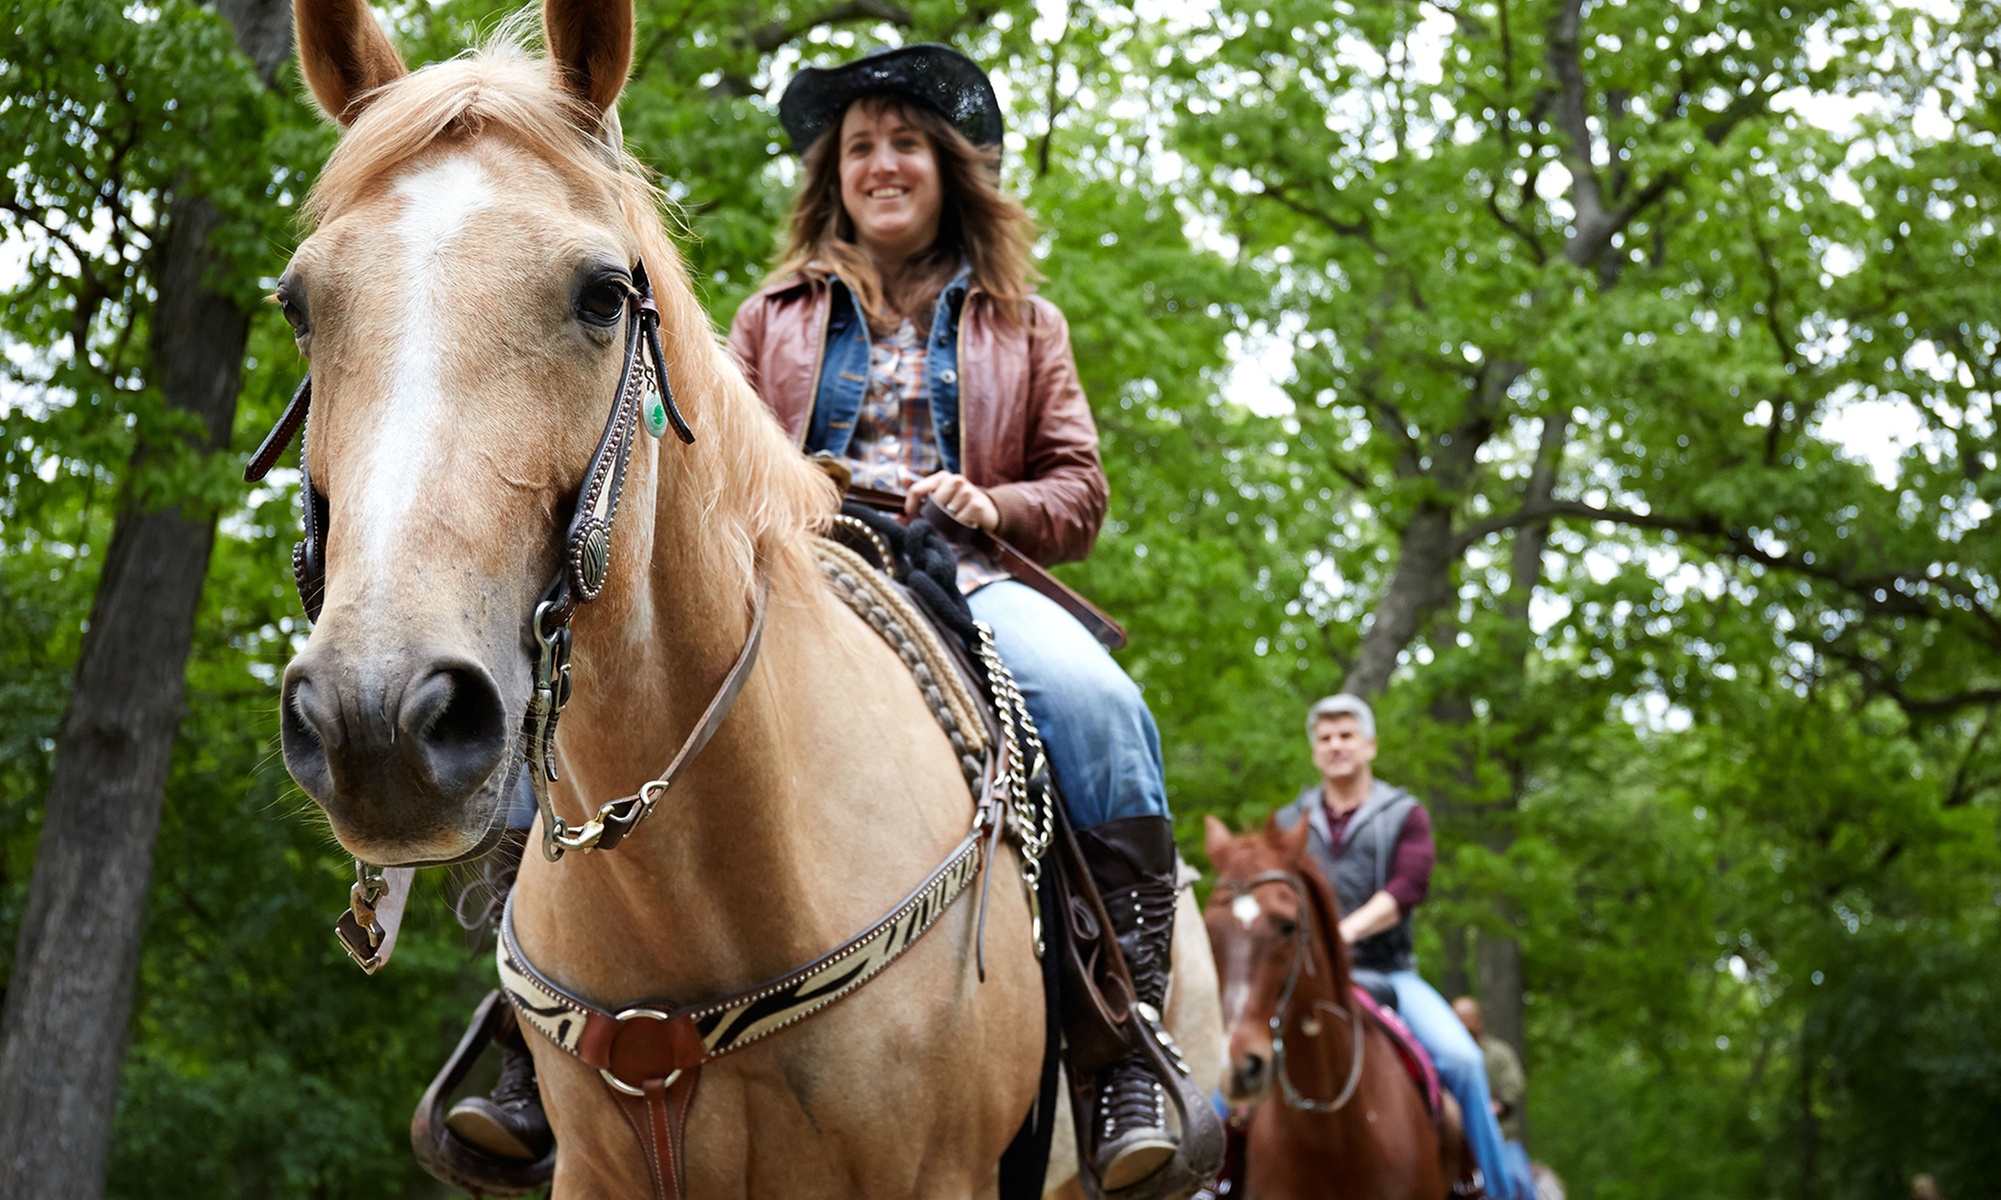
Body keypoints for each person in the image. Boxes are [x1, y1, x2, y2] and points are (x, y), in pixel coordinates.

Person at [721, 43, 1183, 1191]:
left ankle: (1122, 1053)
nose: (883, 164)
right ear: (834, 175)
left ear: (947, 169)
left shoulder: (1026, 322)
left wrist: (996, 500)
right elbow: (702, 466)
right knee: (610, 673)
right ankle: (529, 1035)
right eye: (861, 146)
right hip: (790, 569)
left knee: (1100, 707)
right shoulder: (765, 317)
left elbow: (1080, 492)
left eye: (906, 144)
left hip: (968, 576)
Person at [1272, 694, 1524, 1200]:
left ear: (1370, 746)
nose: (1335, 746)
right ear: (1314, 750)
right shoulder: (1287, 821)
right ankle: (1210, 1184)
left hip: (1390, 974)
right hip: (1308, 978)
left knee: (1464, 1062)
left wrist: (1339, 934)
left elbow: (1405, 890)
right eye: (1324, 738)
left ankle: (1497, 1190)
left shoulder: (1403, 814)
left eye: (1346, 736)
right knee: (1233, 1066)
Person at [1454, 995, 1537, 1200]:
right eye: (1457, 1019)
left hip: (1501, 1137)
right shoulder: (1447, 1058)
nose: (1462, 1025)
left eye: (1466, 1019)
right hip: (1457, 1140)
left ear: (1478, 1021)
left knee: (1520, 1181)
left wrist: (1492, 1109)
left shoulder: (1498, 1054)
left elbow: (1513, 1088)